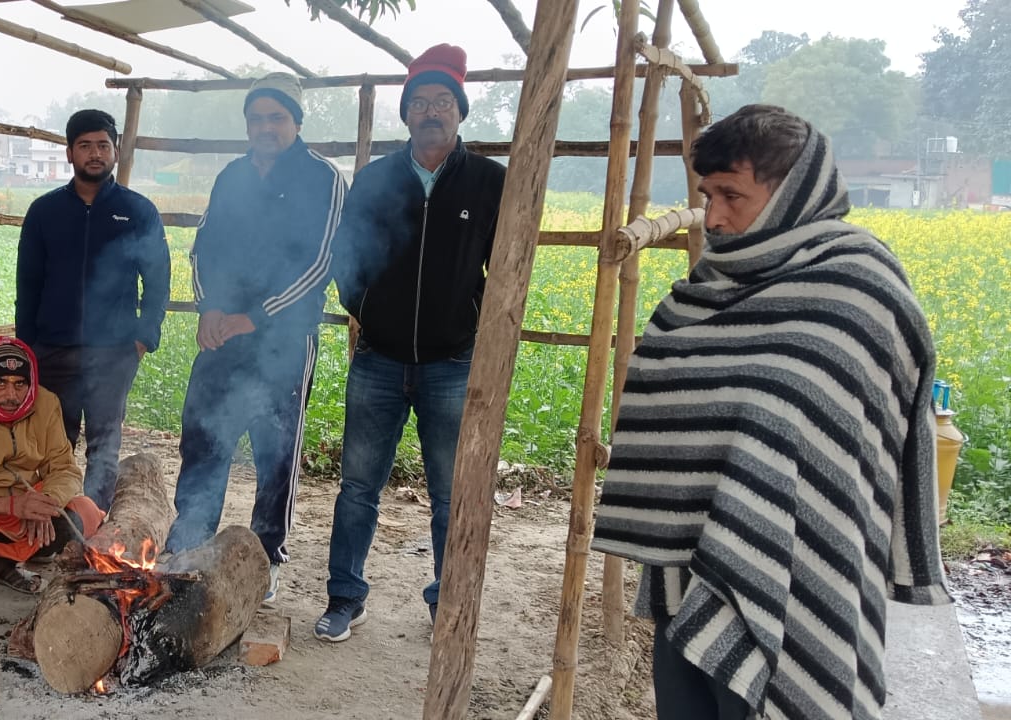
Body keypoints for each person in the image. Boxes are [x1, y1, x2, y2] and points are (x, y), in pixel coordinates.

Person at [590, 105, 949, 719]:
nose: (714, 217)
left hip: (802, 566)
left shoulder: (859, 289)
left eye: (732, 195)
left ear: (795, 193)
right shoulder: (709, 286)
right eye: (708, 195)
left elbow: (856, 436)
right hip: (690, 566)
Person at [316, 44, 507, 642]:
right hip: (378, 358)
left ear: (460, 111)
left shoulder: (489, 181)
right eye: (419, 103)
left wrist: (472, 316)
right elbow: (346, 256)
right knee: (357, 488)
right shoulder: (376, 179)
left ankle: (447, 603)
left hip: (452, 362)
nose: (431, 112)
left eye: (442, 101)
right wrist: (367, 307)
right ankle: (345, 596)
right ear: (405, 114)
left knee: (452, 495)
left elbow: (506, 267)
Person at [163, 72, 346, 605]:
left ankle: (266, 560)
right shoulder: (232, 176)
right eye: (257, 118)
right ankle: (190, 543)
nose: (266, 127)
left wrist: (256, 317)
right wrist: (209, 308)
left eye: (277, 117)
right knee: (203, 439)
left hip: (283, 340)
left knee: (276, 453)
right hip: (222, 335)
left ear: (296, 122)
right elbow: (203, 246)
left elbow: (322, 263)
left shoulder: (323, 178)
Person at [17, 109, 171, 512]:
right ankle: (56, 524)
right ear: (70, 153)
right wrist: (28, 348)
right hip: (53, 351)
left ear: (116, 151)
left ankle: (95, 525)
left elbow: (158, 282)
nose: (95, 153)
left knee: (104, 444)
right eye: (85, 145)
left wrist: (143, 338)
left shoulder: (137, 211)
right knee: (54, 444)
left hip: (114, 352)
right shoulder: (44, 212)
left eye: (103, 145)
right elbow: (28, 285)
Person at [0, 336, 105, 609]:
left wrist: (46, 503)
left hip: (26, 507)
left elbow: (65, 469)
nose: (11, 396)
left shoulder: (45, 403)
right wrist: (9, 505)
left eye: (20, 384)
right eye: (0, 383)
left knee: (80, 516)